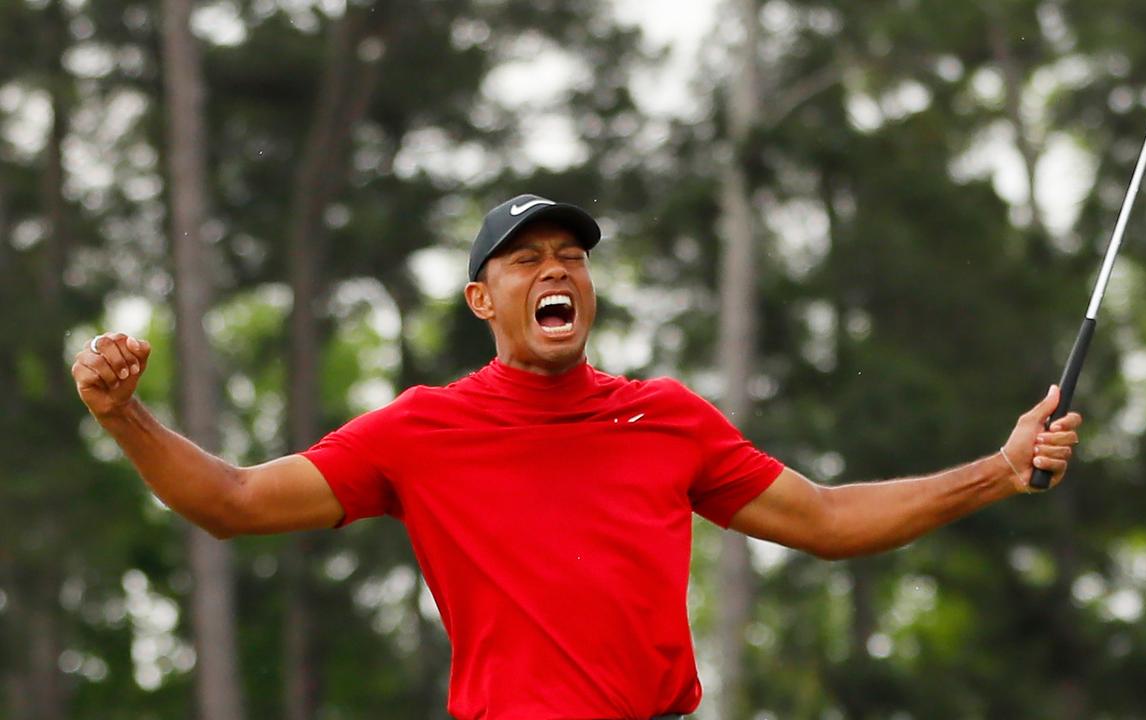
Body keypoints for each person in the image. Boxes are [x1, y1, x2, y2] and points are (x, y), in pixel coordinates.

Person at [72, 194, 1082, 720]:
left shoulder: (666, 420)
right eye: (525, 259)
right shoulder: (420, 432)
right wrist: (127, 419)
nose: (555, 269)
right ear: (483, 299)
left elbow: (822, 522)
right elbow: (236, 501)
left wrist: (995, 469)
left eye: (571, 257)